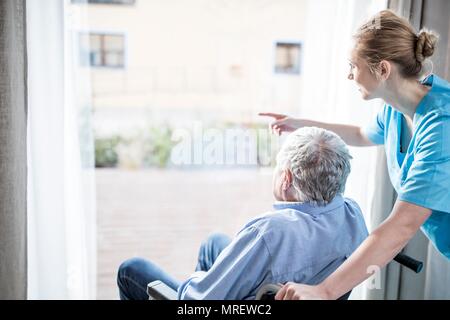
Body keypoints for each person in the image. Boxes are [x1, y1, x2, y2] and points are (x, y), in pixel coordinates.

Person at [259, 10, 450, 300]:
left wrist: (323, 291)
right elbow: (362, 134)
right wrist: (299, 124)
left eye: (353, 66)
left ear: (383, 69)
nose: (349, 75)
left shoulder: (441, 128)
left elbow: (402, 226)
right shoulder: (397, 108)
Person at [117, 127, 368, 300]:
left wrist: (203, 281)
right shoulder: (353, 215)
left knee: (131, 269)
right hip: (290, 285)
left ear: (286, 179)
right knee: (213, 244)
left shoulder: (270, 232)